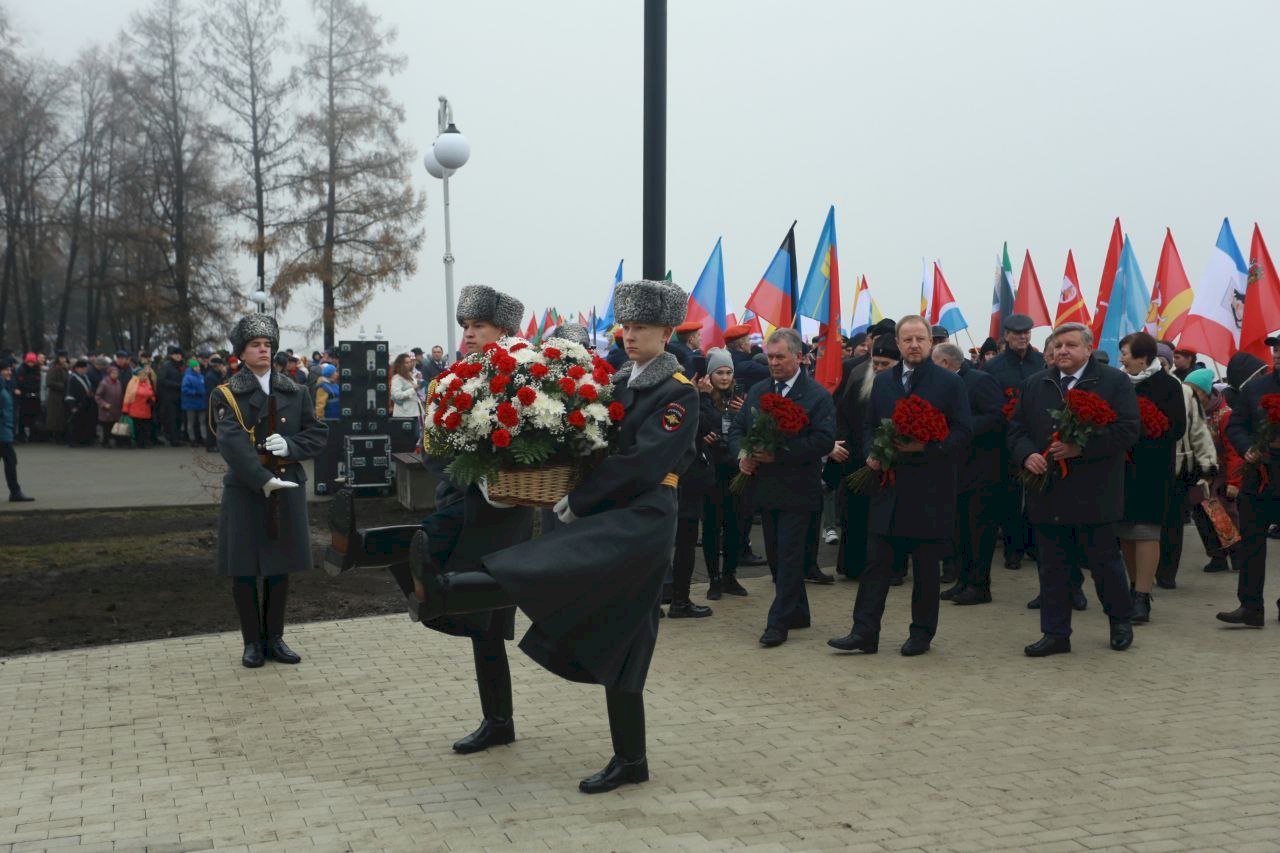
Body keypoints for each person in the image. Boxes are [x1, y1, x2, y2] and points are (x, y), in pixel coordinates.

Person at [413, 278, 698, 794]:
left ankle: (447, 590)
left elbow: (643, 462)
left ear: (667, 331)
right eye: (625, 327)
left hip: (645, 517)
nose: (628, 336)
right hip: (615, 513)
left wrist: (580, 498)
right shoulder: (624, 383)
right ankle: (631, 758)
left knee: (553, 565)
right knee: (624, 636)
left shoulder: (676, 392)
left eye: (641, 328)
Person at [406, 284, 536, 757]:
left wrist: (499, 480)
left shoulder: (529, 376)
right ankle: (497, 720)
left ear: (503, 330)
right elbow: (432, 448)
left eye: (479, 325)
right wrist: (467, 477)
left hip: (504, 515)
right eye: (465, 326)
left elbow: (545, 442)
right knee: (481, 626)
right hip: (463, 503)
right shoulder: (451, 378)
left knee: (488, 623)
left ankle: (498, 721)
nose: (470, 334)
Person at [828, 317, 971, 657]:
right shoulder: (883, 381)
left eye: (920, 338)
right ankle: (864, 632)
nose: (914, 345)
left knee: (924, 569)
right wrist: (872, 454)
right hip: (888, 488)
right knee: (876, 564)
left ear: (931, 342)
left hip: (930, 491)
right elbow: (868, 425)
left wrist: (928, 447)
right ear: (898, 342)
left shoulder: (948, 384)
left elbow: (964, 432)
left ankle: (921, 634)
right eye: (907, 339)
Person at [1008, 322, 1139, 656]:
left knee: (1104, 564)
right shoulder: (1036, 383)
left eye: (1070, 345)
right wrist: (1027, 454)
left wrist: (1083, 448)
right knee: (1052, 567)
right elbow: (1016, 429)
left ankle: (1119, 621)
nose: (1062, 351)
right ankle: (1055, 633)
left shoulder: (1113, 382)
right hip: (1048, 491)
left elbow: (1127, 431)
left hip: (1095, 492)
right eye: (1058, 345)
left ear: (1088, 349)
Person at [213, 314, 328, 668]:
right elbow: (231, 442)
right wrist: (261, 478)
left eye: (267, 345)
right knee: (244, 568)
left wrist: (290, 446)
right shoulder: (229, 393)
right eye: (255, 345)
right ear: (241, 354)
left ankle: (275, 637)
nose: (263, 350)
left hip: (287, 486)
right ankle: (252, 642)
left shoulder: (294, 390)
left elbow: (317, 433)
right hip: (247, 490)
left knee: (280, 568)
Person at [730, 327, 837, 648]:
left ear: (799, 358)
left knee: (790, 556)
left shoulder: (816, 395)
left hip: (798, 489)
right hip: (764, 489)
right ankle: (799, 611)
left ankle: (778, 623)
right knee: (776, 556)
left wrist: (779, 454)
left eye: (780, 357)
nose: (773, 363)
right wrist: (743, 454)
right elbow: (738, 428)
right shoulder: (759, 390)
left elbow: (823, 440)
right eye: (771, 357)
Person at [1116, 332, 1186, 623]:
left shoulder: (1168, 385)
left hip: (1152, 470)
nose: (1121, 358)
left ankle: (1143, 596)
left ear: (1143, 358)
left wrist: (1143, 435)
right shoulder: (1118, 383)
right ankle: (1133, 589)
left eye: (1126, 353)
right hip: (1120, 469)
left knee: (1145, 531)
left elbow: (1177, 428)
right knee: (1126, 535)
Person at [932, 342, 1004, 605]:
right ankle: (963, 580)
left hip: (980, 470)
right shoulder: (942, 384)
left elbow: (997, 416)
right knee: (958, 529)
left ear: (946, 363)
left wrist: (959, 427)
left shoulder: (980, 381)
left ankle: (980, 585)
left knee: (978, 530)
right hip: (953, 469)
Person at [1217, 335, 1280, 628]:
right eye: (1275, 348)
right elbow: (1237, 425)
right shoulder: (1255, 388)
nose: (1277, 353)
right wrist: (1247, 448)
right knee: (1252, 542)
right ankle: (1250, 606)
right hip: (1259, 477)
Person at [832, 335, 900, 580]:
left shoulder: (903, 388)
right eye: (876, 363)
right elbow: (842, 418)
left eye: (885, 364)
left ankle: (891, 570)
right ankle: (854, 566)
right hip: (858, 461)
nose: (879, 369)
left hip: (891, 464)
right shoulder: (859, 382)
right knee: (857, 518)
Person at [982, 313, 1046, 571]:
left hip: (1037, 438)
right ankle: (1013, 549)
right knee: (1008, 498)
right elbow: (988, 400)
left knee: (1037, 494)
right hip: (1004, 440)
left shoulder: (1042, 362)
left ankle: (1034, 545)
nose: (1022, 337)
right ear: (1006, 336)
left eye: (1026, 332)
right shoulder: (993, 366)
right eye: (1017, 333)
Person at [1157, 365, 1217, 588]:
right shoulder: (1130, 386)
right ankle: (1146, 570)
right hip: (1143, 468)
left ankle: (1167, 572)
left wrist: (1207, 466)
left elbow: (1199, 432)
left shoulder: (1184, 393)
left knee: (1173, 522)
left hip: (1179, 467)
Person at [698, 347, 747, 599]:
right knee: (711, 527)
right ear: (710, 375)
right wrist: (706, 398)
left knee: (735, 526)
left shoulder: (739, 399)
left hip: (735, 471)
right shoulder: (701, 397)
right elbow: (707, 425)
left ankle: (730, 575)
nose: (725, 378)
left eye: (729, 372)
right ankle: (713, 579)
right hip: (712, 471)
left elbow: (748, 427)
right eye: (719, 373)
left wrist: (745, 411)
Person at [1183, 368, 1243, 574]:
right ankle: (1216, 557)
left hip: (1221, 475)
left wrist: (1234, 482)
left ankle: (1237, 555)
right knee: (1201, 517)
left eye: (1195, 391)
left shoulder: (1225, 415)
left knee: (1224, 516)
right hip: (1199, 474)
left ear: (1206, 392)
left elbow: (1234, 452)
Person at [0, 359, 33, 501]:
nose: (9, 372)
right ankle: (15, 492)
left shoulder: (5, 386)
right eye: (6, 370)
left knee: (11, 461)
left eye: (9, 369)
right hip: (2, 431)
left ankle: (15, 492)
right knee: (11, 460)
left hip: (5, 429)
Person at [123, 367, 158, 449]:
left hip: (146, 409)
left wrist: (152, 400)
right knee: (138, 427)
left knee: (145, 427)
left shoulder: (147, 384)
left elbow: (152, 394)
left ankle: (144, 442)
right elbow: (127, 397)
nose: (144, 376)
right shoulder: (132, 383)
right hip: (135, 409)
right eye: (142, 374)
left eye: (145, 375)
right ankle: (139, 442)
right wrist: (125, 409)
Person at [157, 346, 185, 446]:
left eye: (179, 355)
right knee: (171, 418)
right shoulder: (166, 366)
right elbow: (161, 380)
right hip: (169, 396)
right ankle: (174, 439)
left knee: (178, 418)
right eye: (176, 354)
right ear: (171, 355)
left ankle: (177, 437)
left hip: (179, 396)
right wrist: (177, 385)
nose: (178, 356)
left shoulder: (181, 366)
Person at [65, 359, 96, 446]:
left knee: (84, 423)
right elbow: (69, 393)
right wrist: (72, 406)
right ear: (78, 368)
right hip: (76, 404)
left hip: (86, 404)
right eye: (83, 368)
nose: (85, 370)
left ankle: (83, 440)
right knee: (75, 424)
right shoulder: (72, 378)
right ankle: (73, 441)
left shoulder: (86, 377)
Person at [94, 365, 125, 448]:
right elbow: (97, 396)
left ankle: (116, 442)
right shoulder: (104, 383)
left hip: (116, 409)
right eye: (113, 373)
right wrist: (104, 404)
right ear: (109, 374)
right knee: (106, 427)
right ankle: (105, 442)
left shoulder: (118, 383)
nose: (115, 375)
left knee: (115, 426)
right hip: (106, 410)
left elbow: (120, 395)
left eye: (116, 373)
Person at [14, 353, 42, 442]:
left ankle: (33, 435)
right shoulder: (21, 370)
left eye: (32, 362)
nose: (31, 364)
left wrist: (34, 391)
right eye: (29, 362)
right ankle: (22, 435)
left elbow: (38, 382)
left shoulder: (36, 370)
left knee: (33, 416)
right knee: (23, 417)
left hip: (33, 395)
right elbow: (20, 383)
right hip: (24, 396)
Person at [181, 358, 207, 447]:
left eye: (198, 366)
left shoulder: (201, 376)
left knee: (202, 421)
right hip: (191, 403)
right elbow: (184, 389)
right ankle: (192, 439)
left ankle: (204, 438)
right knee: (191, 422)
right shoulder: (187, 377)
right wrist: (195, 392)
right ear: (192, 367)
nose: (198, 368)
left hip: (201, 402)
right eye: (196, 366)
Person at [44, 352, 68, 444]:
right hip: (55, 396)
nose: (63, 359)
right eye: (61, 358)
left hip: (62, 395)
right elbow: (49, 382)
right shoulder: (54, 368)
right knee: (56, 417)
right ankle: (55, 437)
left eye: (64, 358)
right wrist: (62, 385)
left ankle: (60, 436)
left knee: (61, 417)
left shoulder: (65, 368)